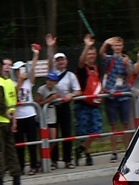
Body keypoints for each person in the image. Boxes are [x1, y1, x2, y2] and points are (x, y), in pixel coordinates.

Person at [46, 33, 81, 169]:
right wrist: (50, 47)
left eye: (62, 60)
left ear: (66, 61)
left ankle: (68, 159)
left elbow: (78, 90)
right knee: (53, 134)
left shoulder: (70, 75)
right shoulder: (52, 73)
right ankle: (53, 160)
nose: (60, 62)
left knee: (67, 133)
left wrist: (71, 95)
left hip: (64, 106)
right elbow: (49, 61)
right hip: (52, 106)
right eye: (58, 60)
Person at [99, 36, 133, 163]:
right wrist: (106, 43)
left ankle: (127, 152)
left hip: (123, 94)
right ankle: (114, 152)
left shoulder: (126, 59)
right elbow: (101, 53)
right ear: (113, 47)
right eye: (115, 45)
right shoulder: (109, 59)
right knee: (113, 125)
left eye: (119, 45)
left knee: (125, 124)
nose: (117, 47)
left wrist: (127, 65)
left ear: (122, 46)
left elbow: (130, 74)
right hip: (111, 95)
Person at [74, 34, 103, 166]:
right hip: (83, 104)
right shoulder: (82, 69)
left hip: (94, 104)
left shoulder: (96, 69)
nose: (91, 56)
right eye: (89, 54)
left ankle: (80, 149)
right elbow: (80, 61)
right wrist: (87, 45)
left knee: (96, 130)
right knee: (83, 131)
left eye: (93, 54)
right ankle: (87, 154)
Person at [11, 45, 40, 175]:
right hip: (19, 116)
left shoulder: (29, 81)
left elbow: (33, 68)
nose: (19, 72)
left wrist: (35, 54)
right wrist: (20, 81)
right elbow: (14, 94)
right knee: (19, 144)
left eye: (21, 69)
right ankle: (21, 166)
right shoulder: (12, 83)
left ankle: (34, 165)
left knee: (32, 142)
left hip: (30, 114)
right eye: (17, 70)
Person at [0, 58, 22, 185]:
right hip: (9, 120)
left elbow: (0, 104)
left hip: (2, 120)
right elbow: (13, 101)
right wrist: (13, 119)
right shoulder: (8, 82)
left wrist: (7, 115)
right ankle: (17, 182)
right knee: (11, 152)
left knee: (0, 153)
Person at [35, 72, 60, 169]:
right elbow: (37, 103)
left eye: (52, 80)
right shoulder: (41, 89)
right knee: (43, 140)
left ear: (55, 82)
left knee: (53, 139)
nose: (49, 82)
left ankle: (46, 157)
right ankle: (42, 160)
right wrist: (49, 99)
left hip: (52, 116)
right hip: (43, 117)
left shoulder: (56, 89)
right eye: (48, 80)